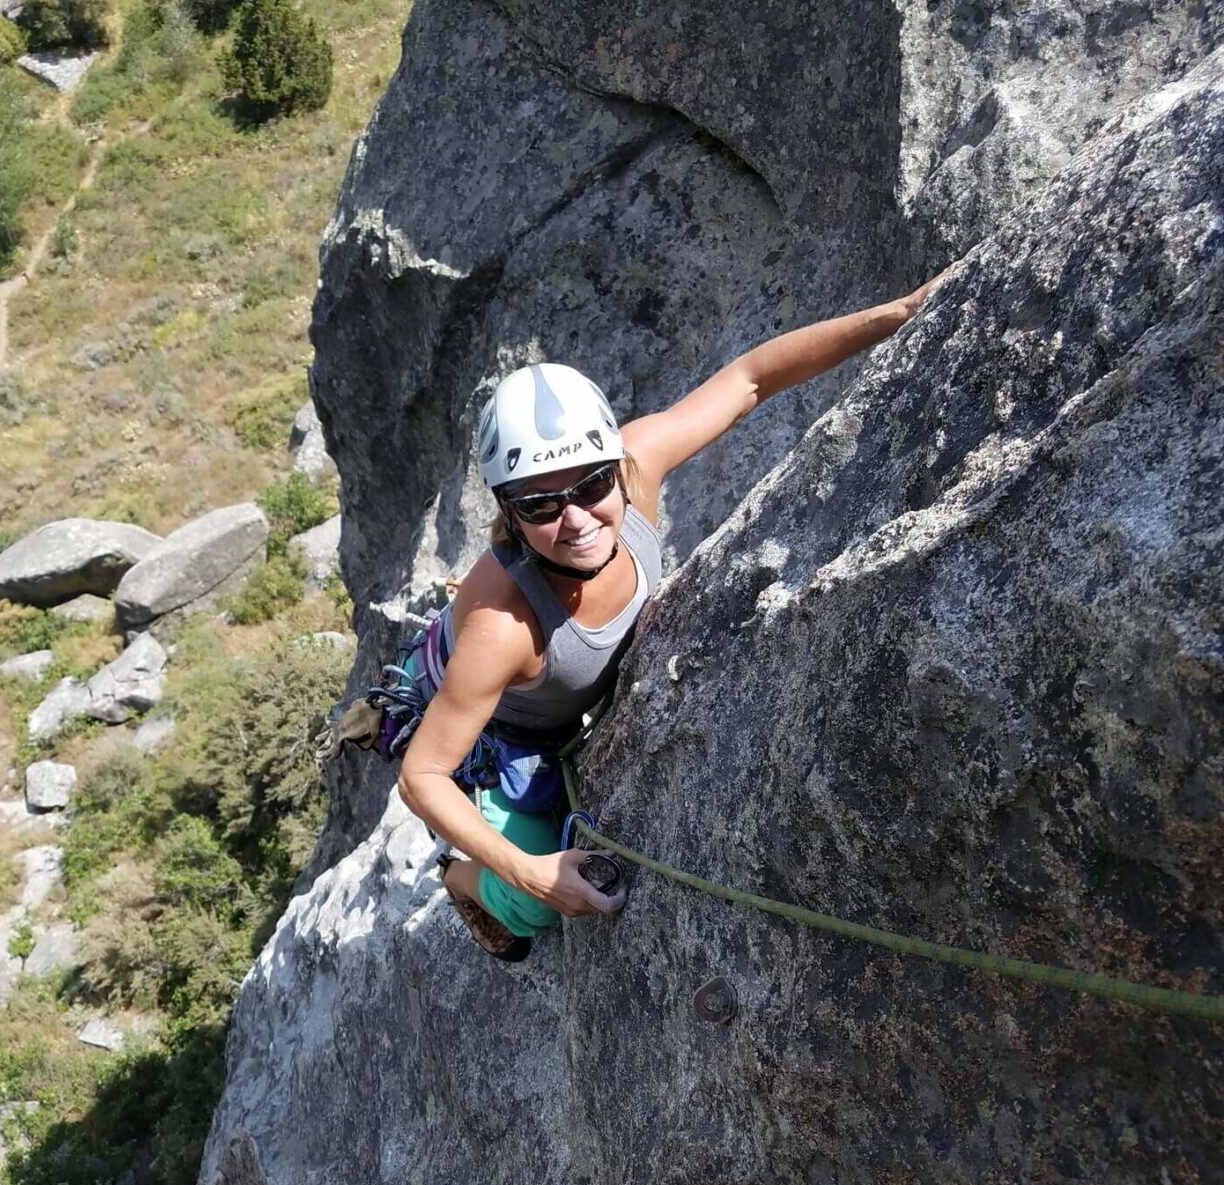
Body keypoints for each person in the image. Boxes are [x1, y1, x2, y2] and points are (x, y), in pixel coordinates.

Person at [398, 274, 949, 961]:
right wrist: (531, 872)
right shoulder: (503, 626)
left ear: (614, 466)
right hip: (508, 737)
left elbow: (750, 379)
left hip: (568, 694)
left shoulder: (638, 461)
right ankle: (460, 877)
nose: (575, 520)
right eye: (539, 506)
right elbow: (422, 776)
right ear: (509, 512)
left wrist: (898, 311)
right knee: (529, 913)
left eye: (592, 486)